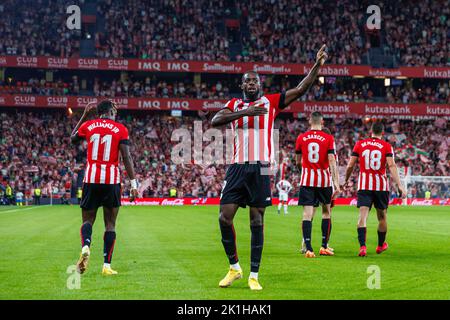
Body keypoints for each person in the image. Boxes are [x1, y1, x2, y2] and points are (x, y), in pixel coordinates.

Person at [211, 45, 328, 290]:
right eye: (247, 81)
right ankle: (234, 268)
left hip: (261, 168)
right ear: (242, 86)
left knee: (256, 221)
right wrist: (246, 112)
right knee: (224, 217)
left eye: (255, 81)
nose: (252, 84)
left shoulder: (271, 102)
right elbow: (215, 120)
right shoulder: (234, 104)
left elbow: (301, 88)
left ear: (260, 84)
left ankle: (254, 274)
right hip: (237, 167)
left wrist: (317, 65)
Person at [70, 100, 139, 275]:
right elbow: (127, 157)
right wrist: (133, 183)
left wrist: (84, 116)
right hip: (111, 181)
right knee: (110, 224)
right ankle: (106, 266)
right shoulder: (121, 129)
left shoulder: (89, 125)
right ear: (110, 111)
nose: (116, 111)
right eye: (115, 109)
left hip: (91, 178)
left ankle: (86, 245)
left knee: (87, 221)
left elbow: (72, 139)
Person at [344, 121, 407, 257]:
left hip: (364, 186)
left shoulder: (360, 144)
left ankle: (362, 247)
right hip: (380, 187)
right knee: (382, 217)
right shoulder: (386, 146)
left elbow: (350, 165)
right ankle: (380, 245)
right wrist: (400, 185)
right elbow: (391, 166)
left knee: (362, 217)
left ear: (370, 131)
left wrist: (346, 180)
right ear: (382, 133)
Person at [295, 112, 340, 258]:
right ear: (322, 121)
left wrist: (304, 170)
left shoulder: (301, 137)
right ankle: (324, 246)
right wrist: (336, 182)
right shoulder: (328, 138)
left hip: (307, 180)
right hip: (324, 181)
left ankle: (308, 248)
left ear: (309, 120)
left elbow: (297, 161)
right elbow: (332, 160)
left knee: (307, 214)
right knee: (326, 212)